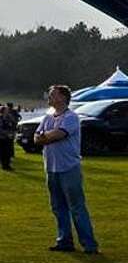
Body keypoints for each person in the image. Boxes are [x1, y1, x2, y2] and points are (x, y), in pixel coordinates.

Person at [34, 85, 98, 254]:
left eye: (53, 94)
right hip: (52, 169)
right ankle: (64, 241)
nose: (49, 97)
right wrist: (45, 137)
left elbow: (58, 135)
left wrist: (44, 137)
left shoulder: (71, 117)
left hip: (69, 168)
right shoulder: (47, 117)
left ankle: (89, 244)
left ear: (63, 97)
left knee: (77, 207)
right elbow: (36, 137)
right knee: (58, 207)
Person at [0, 104, 16, 171]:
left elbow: (13, 123)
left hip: (8, 137)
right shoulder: (0, 118)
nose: (8, 111)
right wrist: (7, 134)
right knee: (3, 152)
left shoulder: (8, 117)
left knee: (8, 152)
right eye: (6, 110)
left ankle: (8, 165)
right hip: (2, 138)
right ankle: (4, 166)